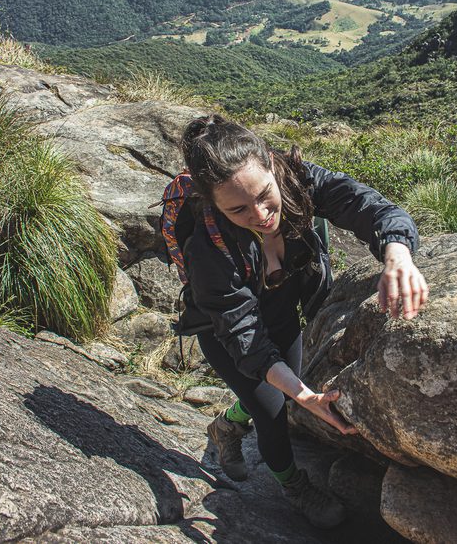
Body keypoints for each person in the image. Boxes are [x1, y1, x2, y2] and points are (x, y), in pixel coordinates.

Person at [179, 114, 428, 529]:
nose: (261, 215)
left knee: (285, 392)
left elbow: (368, 206)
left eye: (264, 194)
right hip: (222, 331)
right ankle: (293, 483)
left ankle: (226, 426)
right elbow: (244, 336)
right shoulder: (208, 250)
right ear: (213, 204)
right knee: (275, 410)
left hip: (277, 309)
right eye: (238, 209)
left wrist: (398, 253)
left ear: (271, 165)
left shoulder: (300, 181)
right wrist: (304, 397)